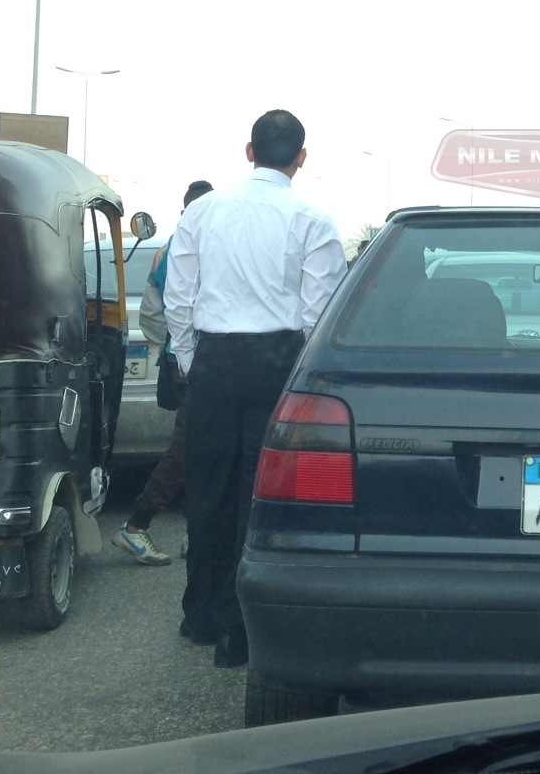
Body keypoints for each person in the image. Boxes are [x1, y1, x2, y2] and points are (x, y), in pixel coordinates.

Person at [164, 111, 347, 666]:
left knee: (207, 490)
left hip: (214, 362)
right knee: (260, 496)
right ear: (302, 157)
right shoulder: (313, 220)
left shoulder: (203, 211)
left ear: (249, 151)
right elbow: (319, 314)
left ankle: (200, 614)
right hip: (279, 363)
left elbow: (179, 298)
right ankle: (241, 631)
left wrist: (194, 361)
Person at [113, 179, 213, 568]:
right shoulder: (200, 248)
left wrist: (169, 349)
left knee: (200, 448)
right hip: (200, 362)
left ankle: (195, 530)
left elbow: (152, 314)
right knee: (189, 448)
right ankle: (137, 524)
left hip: (181, 360)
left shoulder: (167, 250)